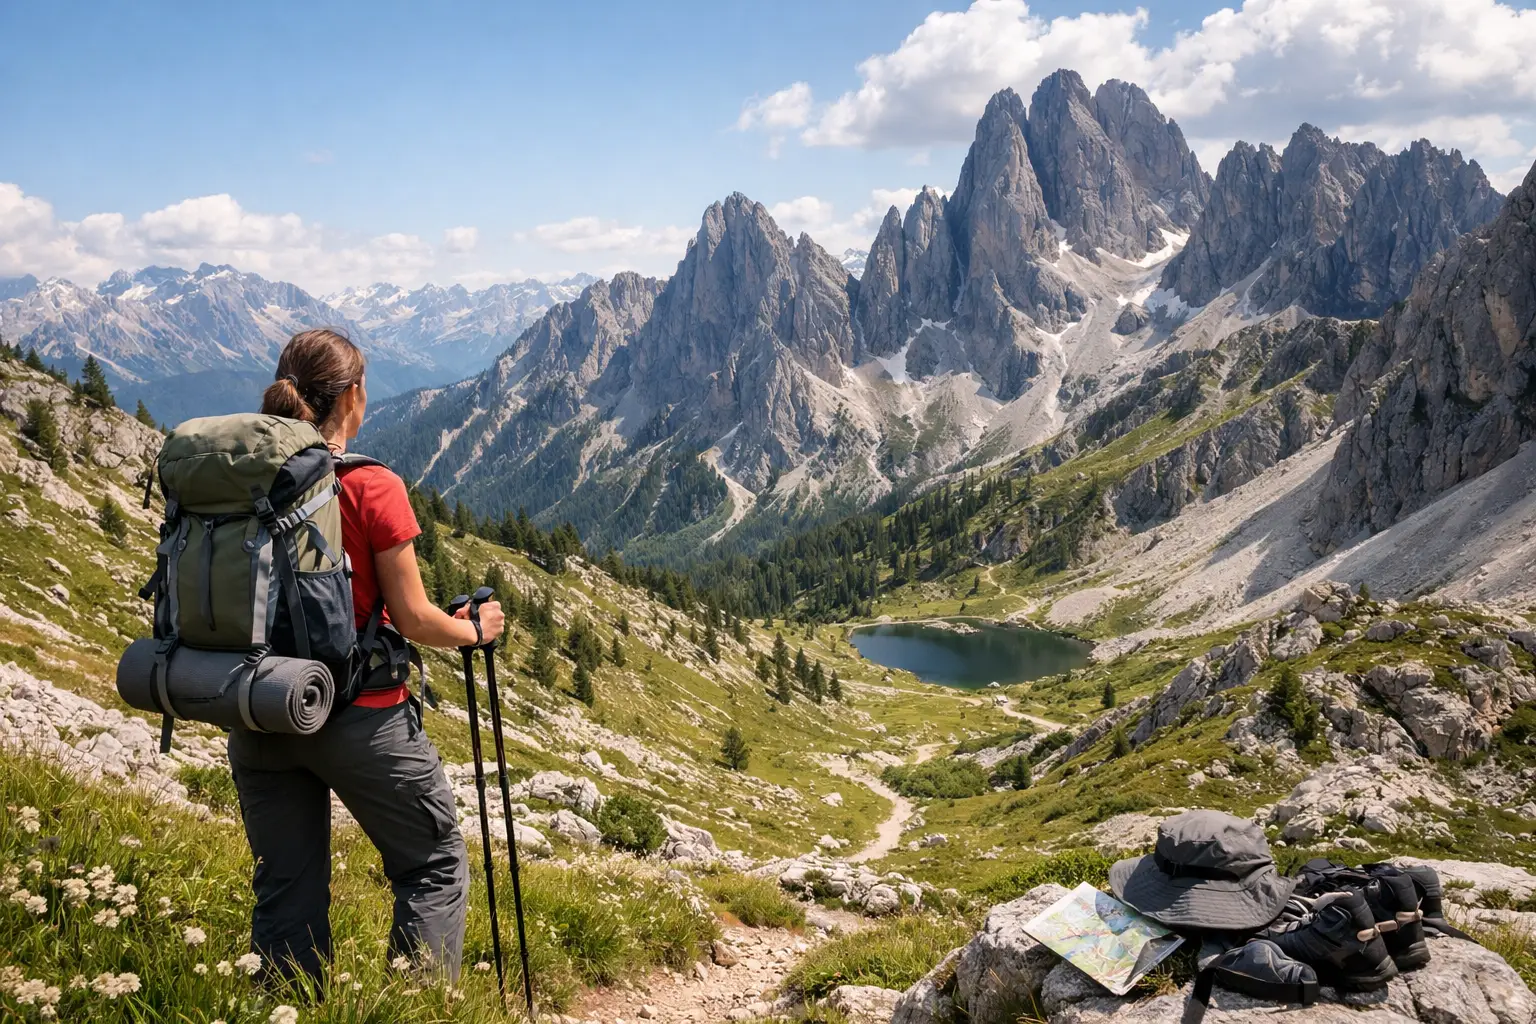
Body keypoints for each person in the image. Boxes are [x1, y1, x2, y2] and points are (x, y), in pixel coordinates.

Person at [230, 327, 504, 982]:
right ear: (351, 396)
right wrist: (476, 631)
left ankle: (286, 1007)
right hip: (358, 717)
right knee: (433, 865)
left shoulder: (240, 479)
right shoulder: (371, 485)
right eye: (365, 387)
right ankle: (415, 1009)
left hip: (259, 709)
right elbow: (412, 618)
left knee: (286, 894)